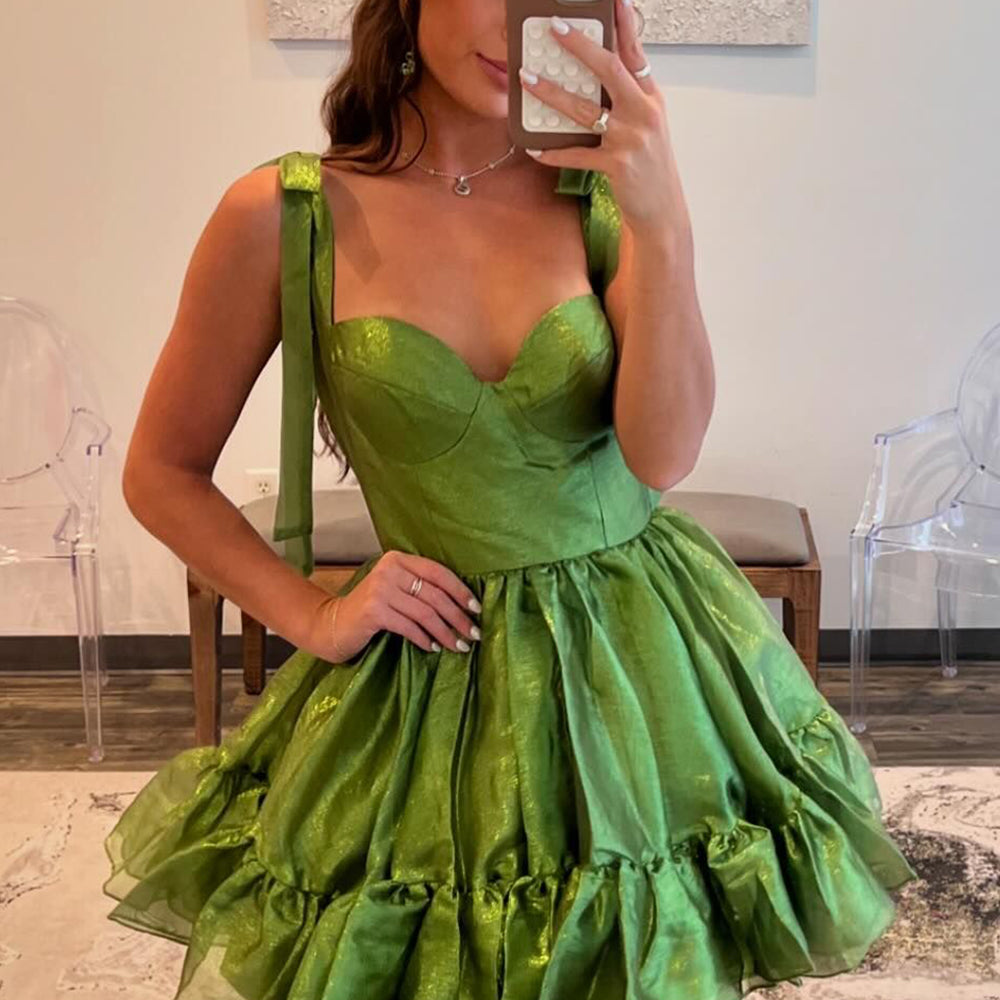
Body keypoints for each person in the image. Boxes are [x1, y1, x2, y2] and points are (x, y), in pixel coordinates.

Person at [102, 0, 917, 996]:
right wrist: (313, 613)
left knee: (640, 945)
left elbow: (663, 453)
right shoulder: (285, 214)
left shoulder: (600, 195)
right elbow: (161, 471)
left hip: (638, 668)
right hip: (431, 679)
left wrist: (663, 218)